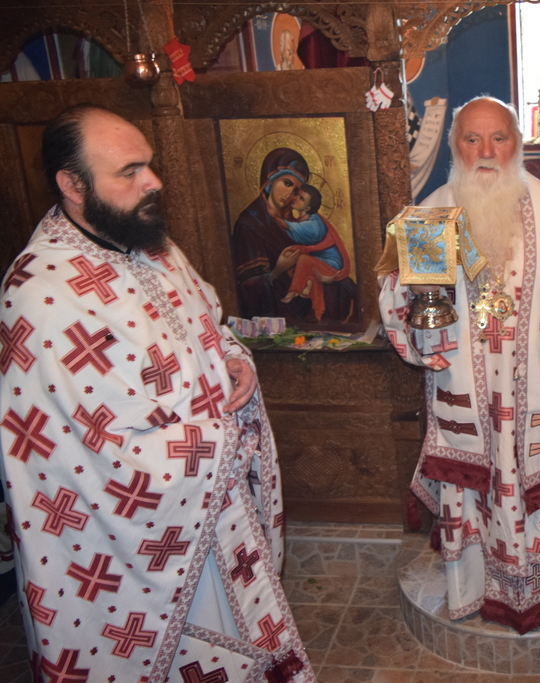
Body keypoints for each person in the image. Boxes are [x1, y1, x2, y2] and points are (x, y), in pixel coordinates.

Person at [0, 105, 311, 681]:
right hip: (143, 540)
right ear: (72, 184)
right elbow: (84, 453)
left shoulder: (152, 246)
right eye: (130, 171)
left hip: (217, 511)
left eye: (149, 164)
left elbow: (208, 324)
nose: (154, 182)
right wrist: (219, 442)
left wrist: (234, 359)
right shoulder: (41, 294)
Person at [378, 97, 540, 634]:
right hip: (464, 393)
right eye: (472, 139)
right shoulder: (428, 218)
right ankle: (472, 592)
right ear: (455, 147)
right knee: (471, 489)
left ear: (518, 144)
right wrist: (422, 338)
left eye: (499, 138)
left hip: (539, 391)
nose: (486, 152)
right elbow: (400, 299)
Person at [231, 147, 352, 326]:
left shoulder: (300, 222)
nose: (289, 195)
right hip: (276, 320)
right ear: (270, 180)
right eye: (286, 183)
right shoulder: (250, 225)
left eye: (296, 191)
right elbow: (247, 288)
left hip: (307, 313)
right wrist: (277, 271)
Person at [278, 184, 356, 323]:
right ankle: (308, 289)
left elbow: (279, 224)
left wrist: (266, 213)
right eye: (297, 194)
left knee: (303, 260)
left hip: (331, 264)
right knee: (303, 267)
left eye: (301, 198)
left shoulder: (313, 225)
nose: (295, 198)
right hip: (319, 260)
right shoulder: (304, 219)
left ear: (308, 208)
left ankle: (293, 291)